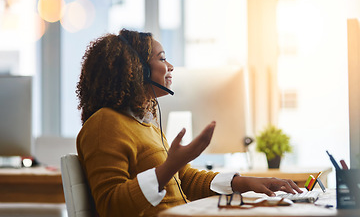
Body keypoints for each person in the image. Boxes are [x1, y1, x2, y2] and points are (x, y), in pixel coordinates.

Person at [76, 29, 302, 217]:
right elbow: (109, 206)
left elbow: (185, 179)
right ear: (138, 70)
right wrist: (168, 167)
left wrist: (246, 183)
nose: (171, 66)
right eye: (162, 58)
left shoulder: (147, 126)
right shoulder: (103, 124)